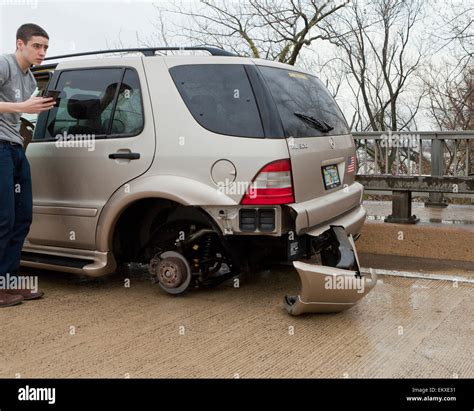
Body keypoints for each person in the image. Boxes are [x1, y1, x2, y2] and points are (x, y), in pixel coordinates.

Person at [0, 23, 56, 307]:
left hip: (14, 148)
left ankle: (8, 282)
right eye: (37, 46)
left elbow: (20, 116)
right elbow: (15, 109)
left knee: (22, 218)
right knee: (4, 218)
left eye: (45, 47)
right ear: (20, 44)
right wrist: (22, 107)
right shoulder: (4, 64)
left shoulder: (30, 79)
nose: (42, 52)